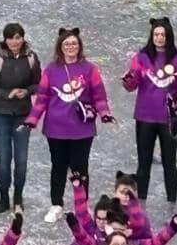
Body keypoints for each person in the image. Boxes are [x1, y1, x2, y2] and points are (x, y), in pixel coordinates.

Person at [24, 26, 113, 221]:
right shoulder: (50, 70)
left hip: (82, 129)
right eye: (67, 44)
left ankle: (82, 206)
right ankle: (56, 204)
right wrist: (32, 119)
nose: (71, 47)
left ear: (79, 46)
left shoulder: (90, 69)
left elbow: (99, 95)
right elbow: (42, 98)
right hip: (56, 129)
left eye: (74, 44)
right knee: (58, 166)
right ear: (60, 47)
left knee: (80, 168)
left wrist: (104, 113)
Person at [123, 16, 177, 204]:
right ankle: (140, 204)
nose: (160, 38)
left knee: (170, 162)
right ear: (151, 36)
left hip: (170, 117)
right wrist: (129, 79)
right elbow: (130, 86)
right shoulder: (141, 57)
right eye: (156, 34)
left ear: (169, 36)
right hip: (145, 116)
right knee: (143, 162)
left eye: (163, 35)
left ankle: (172, 204)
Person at [0, 23, 40, 214]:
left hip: (23, 114)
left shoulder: (31, 58)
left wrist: (27, 91)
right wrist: (7, 94)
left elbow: (38, 83)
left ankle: (18, 197)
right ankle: (3, 196)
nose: (15, 42)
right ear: (5, 39)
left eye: (18, 38)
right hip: (1, 114)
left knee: (21, 159)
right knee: (4, 157)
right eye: (11, 38)